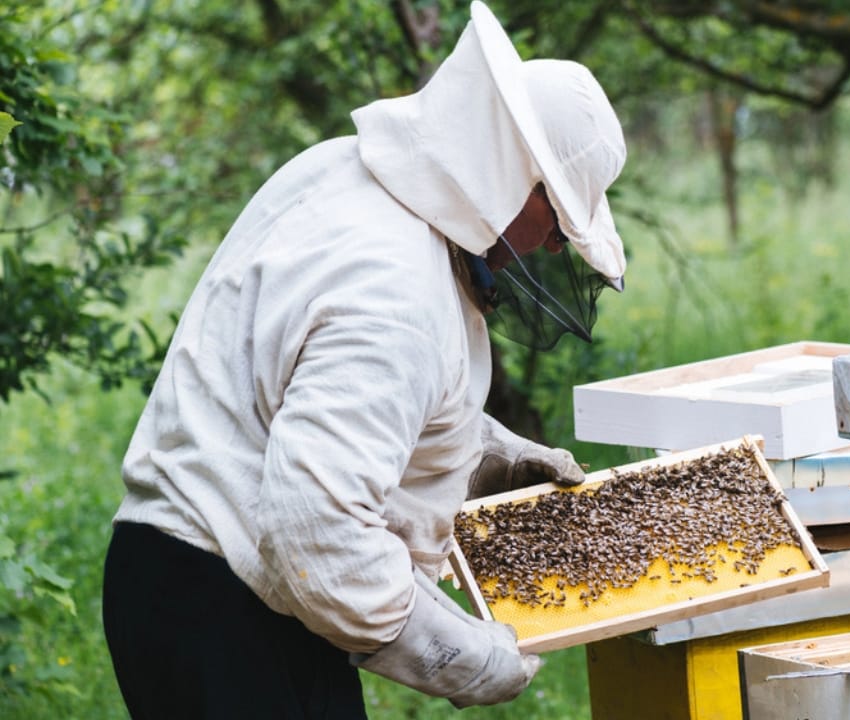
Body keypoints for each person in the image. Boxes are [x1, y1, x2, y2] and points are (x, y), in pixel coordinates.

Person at [100, 1, 627, 716]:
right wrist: (469, 659)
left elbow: (315, 392)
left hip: (190, 580)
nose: (555, 247)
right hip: (226, 605)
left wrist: (482, 451)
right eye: (559, 220)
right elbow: (321, 534)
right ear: (510, 173)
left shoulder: (346, 175)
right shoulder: (395, 291)